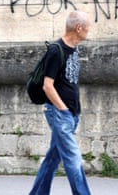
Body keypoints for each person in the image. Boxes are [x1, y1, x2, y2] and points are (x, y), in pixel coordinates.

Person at [29, 11, 92, 195]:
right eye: (87, 28)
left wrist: (73, 111)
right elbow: (47, 86)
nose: (88, 31)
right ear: (78, 28)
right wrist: (63, 110)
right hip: (60, 114)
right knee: (73, 158)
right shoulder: (56, 50)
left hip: (72, 114)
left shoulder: (75, 48)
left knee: (52, 159)